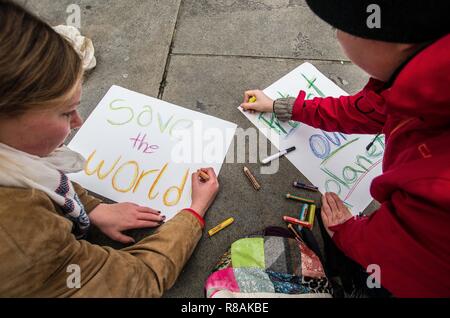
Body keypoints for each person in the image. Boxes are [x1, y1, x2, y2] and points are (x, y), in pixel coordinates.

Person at [0, 0, 219, 297]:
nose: (78, 122)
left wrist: (93, 208)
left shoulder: (13, 164)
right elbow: (139, 282)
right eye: (66, 113)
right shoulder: (20, 238)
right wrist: (193, 212)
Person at [241, 0, 450, 297]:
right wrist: (282, 106)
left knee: (376, 286)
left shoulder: (435, 193)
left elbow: (396, 256)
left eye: (341, 26)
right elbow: (367, 111)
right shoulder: (423, 81)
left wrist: (347, 232)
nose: (337, 35)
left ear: (397, 40)